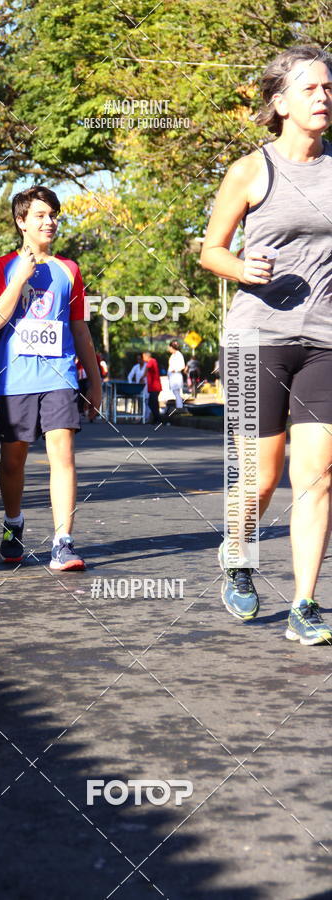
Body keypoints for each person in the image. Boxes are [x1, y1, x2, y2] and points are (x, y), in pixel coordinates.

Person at [201, 45, 332, 645]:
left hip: (325, 340)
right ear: (280, 103)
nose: (324, 97)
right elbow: (211, 250)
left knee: (319, 475)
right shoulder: (251, 171)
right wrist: (240, 268)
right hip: (259, 338)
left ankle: (305, 603)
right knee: (262, 476)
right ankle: (238, 551)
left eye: (328, 88)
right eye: (310, 89)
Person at [0, 184, 102, 571]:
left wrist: (94, 382)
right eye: (40, 215)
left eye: (53, 214)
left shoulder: (69, 270)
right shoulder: (1, 266)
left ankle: (63, 542)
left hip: (60, 376)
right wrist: (19, 279)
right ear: (21, 222)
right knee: (13, 460)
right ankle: (13, 523)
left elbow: (80, 329)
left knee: (62, 456)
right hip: (14, 379)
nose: (49, 221)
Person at [142, 350, 162, 425]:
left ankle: (158, 419)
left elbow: (147, 368)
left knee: (153, 403)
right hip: (152, 387)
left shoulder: (151, 361)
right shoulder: (152, 361)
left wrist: (142, 377)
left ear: (147, 356)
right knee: (152, 403)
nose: (143, 358)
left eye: (143, 356)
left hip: (155, 387)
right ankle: (156, 419)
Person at [167, 339, 185, 409]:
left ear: (172, 347)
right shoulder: (172, 355)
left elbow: (182, 366)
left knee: (177, 392)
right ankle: (179, 406)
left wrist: (175, 370)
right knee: (175, 392)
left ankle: (179, 407)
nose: (169, 349)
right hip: (172, 376)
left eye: (169, 347)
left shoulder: (179, 355)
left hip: (176, 376)